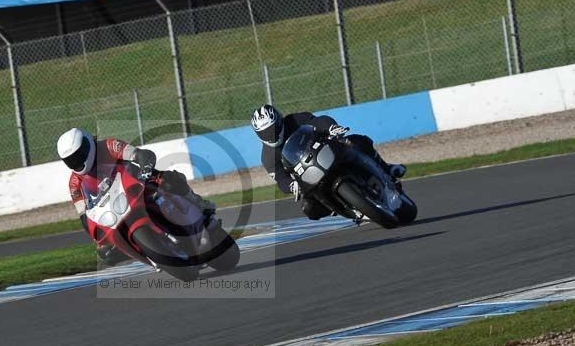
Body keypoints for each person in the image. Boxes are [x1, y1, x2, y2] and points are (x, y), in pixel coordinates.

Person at [57, 128, 215, 264]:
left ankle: (199, 204)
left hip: (138, 182)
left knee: (169, 178)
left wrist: (144, 164)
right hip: (114, 207)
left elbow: (138, 154)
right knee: (105, 252)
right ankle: (138, 250)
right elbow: (85, 216)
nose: (77, 161)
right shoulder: (74, 183)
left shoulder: (108, 145)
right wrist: (98, 238)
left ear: (87, 144)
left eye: (79, 155)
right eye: (71, 159)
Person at [251, 104, 406, 221]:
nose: (270, 134)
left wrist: (331, 128)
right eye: (264, 132)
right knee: (309, 209)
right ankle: (339, 208)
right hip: (307, 175)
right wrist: (291, 185)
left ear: (279, 121)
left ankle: (387, 168)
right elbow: (280, 178)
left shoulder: (294, 120)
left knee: (357, 142)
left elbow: (318, 121)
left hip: (324, 152)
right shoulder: (267, 157)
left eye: (272, 128)